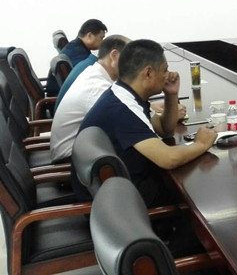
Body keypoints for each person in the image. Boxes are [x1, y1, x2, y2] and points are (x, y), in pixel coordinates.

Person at [71, 39, 216, 206]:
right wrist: (201, 144)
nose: (168, 74)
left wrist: (171, 95)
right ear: (148, 73)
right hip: (122, 203)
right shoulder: (122, 109)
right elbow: (168, 158)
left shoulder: (124, 93)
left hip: (119, 189)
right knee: (199, 191)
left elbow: (165, 130)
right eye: (164, 69)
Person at [50, 35, 130, 163]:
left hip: (82, 148)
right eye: (132, 58)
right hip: (74, 160)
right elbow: (129, 124)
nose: (135, 65)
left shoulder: (93, 71)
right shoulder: (97, 88)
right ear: (114, 56)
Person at [46, 18, 107, 97]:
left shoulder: (74, 46)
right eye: (101, 38)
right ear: (89, 35)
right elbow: (90, 78)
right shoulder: (80, 55)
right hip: (58, 98)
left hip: (57, 95)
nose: (102, 42)